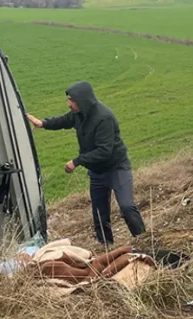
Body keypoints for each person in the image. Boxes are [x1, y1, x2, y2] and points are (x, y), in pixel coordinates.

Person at [27, 81, 146, 246]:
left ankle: (144, 240)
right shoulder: (79, 114)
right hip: (97, 172)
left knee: (126, 206)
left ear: (82, 100)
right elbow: (63, 121)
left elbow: (104, 151)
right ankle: (106, 246)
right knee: (99, 214)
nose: (69, 104)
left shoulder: (104, 118)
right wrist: (43, 123)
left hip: (116, 168)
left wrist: (77, 161)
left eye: (72, 100)